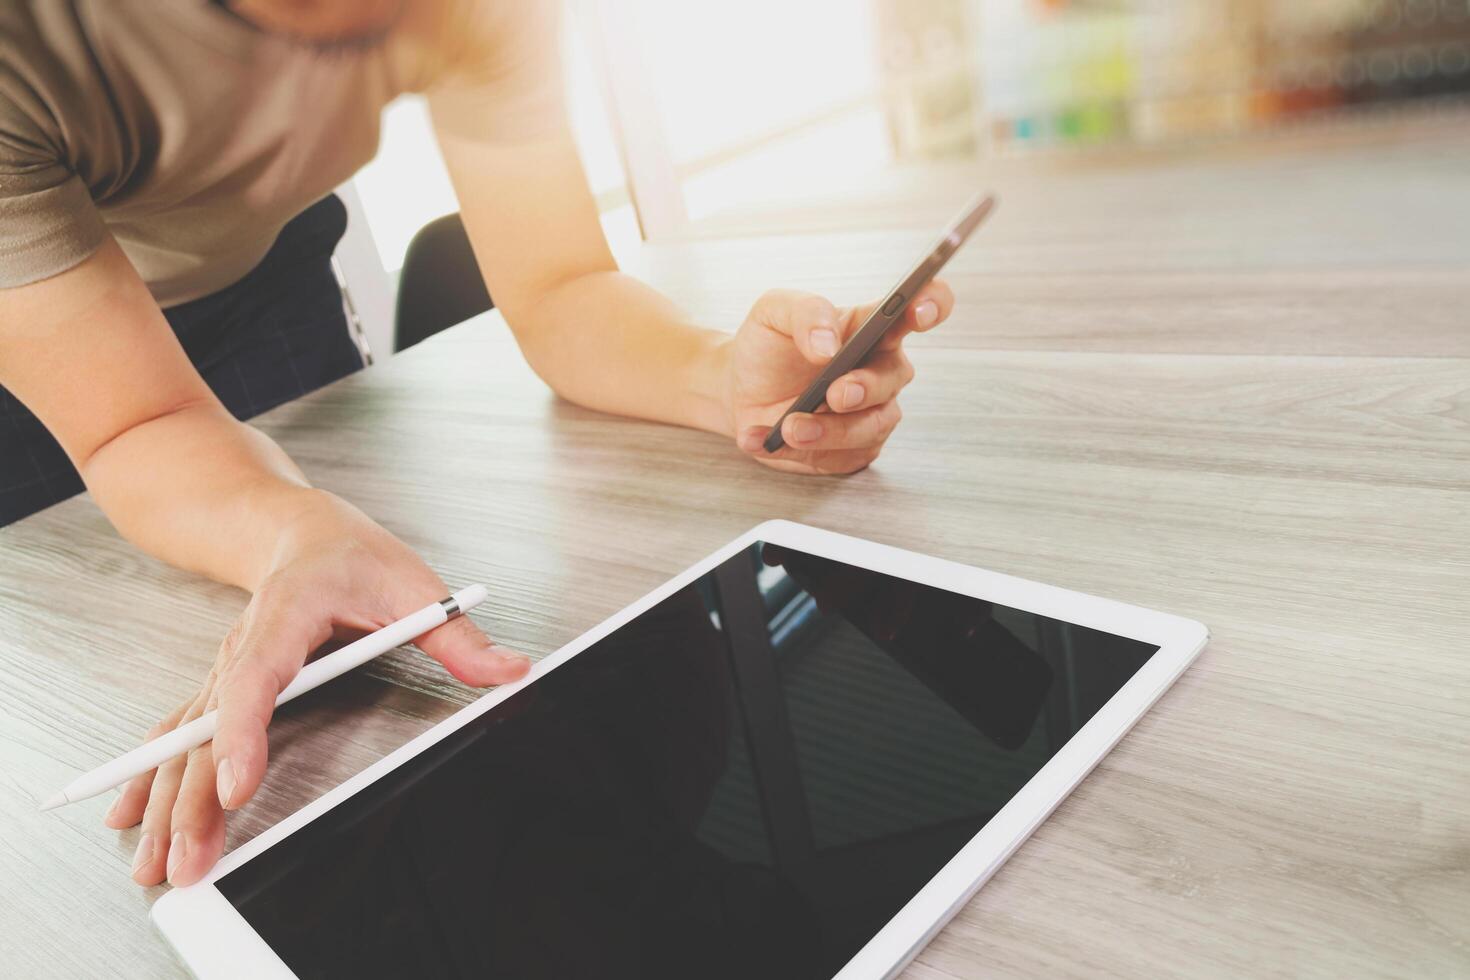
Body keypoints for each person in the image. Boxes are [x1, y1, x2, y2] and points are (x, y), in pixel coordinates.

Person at [0, 0, 955, 888]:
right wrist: (292, 535)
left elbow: (561, 285)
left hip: (265, 263)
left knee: (329, 609)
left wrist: (720, 383)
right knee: (100, 646)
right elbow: (137, 424)